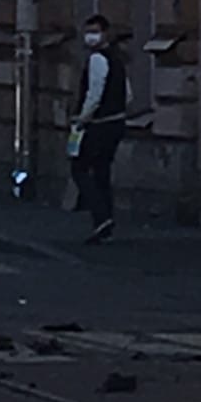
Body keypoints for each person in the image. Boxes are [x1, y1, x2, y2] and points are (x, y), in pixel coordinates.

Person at [70, 14, 131, 244]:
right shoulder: (117, 59)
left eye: (95, 31)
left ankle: (101, 215)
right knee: (102, 171)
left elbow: (94, 94)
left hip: (98, 124)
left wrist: (82, 119)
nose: (91, 36)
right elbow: (129, 94)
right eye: (88, 31)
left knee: (80, 169)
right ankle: (105, 225)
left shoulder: (97, 59)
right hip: (116, 122)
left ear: (105, 33)